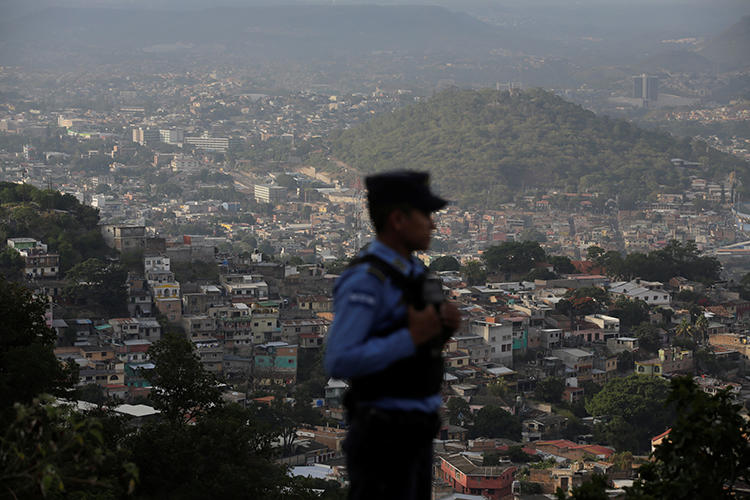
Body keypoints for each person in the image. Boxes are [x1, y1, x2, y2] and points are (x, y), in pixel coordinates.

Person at [325, 170, 461, 500]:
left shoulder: (414, 273)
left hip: (417, 430)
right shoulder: (367, 279)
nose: (432, 224)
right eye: (425, 215)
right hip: (383, 435)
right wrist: (413, 336)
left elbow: (412, 348)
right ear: (398, 219)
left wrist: (442, 331)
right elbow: (339, 359)